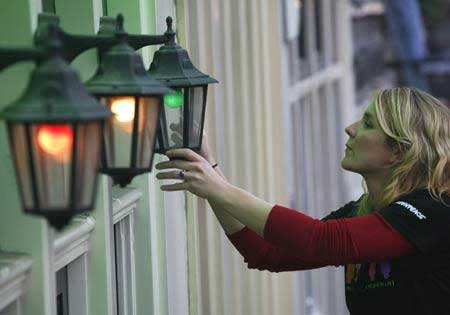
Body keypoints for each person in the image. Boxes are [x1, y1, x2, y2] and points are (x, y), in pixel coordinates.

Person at [155, 87, 450, 315]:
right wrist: (210, 169)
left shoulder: (434, 211)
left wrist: (219, 188)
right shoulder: (363, 213)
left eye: (369, 123)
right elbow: (267, 254)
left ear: (398, 152)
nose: (351, 128)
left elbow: (319, 240)